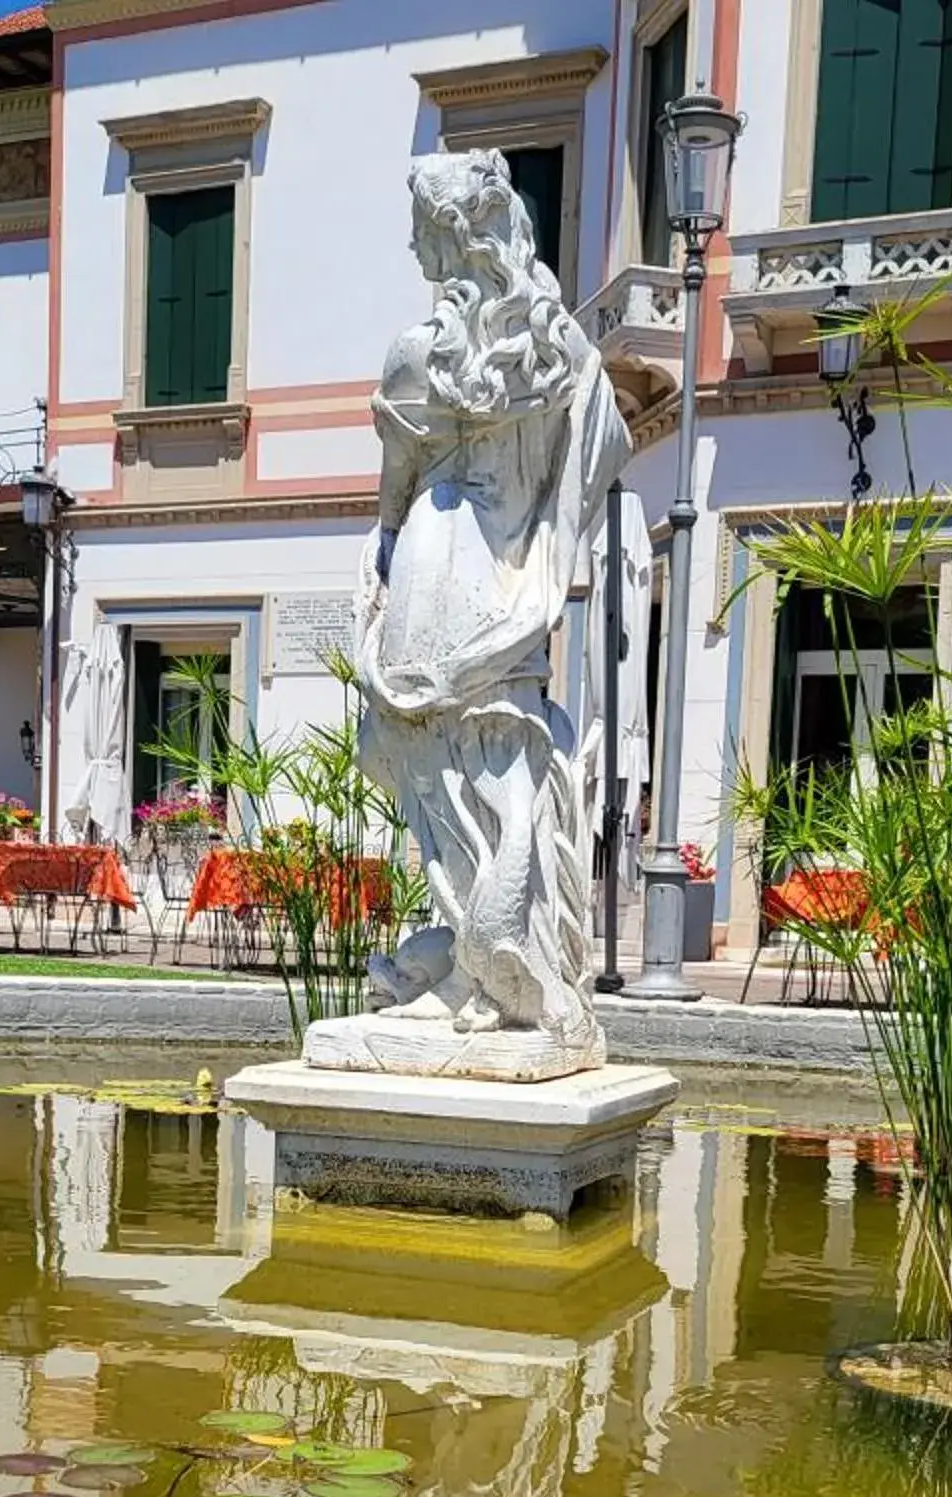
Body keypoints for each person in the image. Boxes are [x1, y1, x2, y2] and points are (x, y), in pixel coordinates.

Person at [351, 150, 632, 1061]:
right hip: (508, 591)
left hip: (432, 586)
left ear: (447, 232)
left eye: (417, 227)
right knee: (503, 777)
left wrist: (383, 571)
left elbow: (394, 499)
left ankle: (483, 968)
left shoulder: (415, 356)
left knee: (442, 788)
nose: (405, 243)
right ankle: (484, 970)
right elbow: (593, 464)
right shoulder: (567, 358)